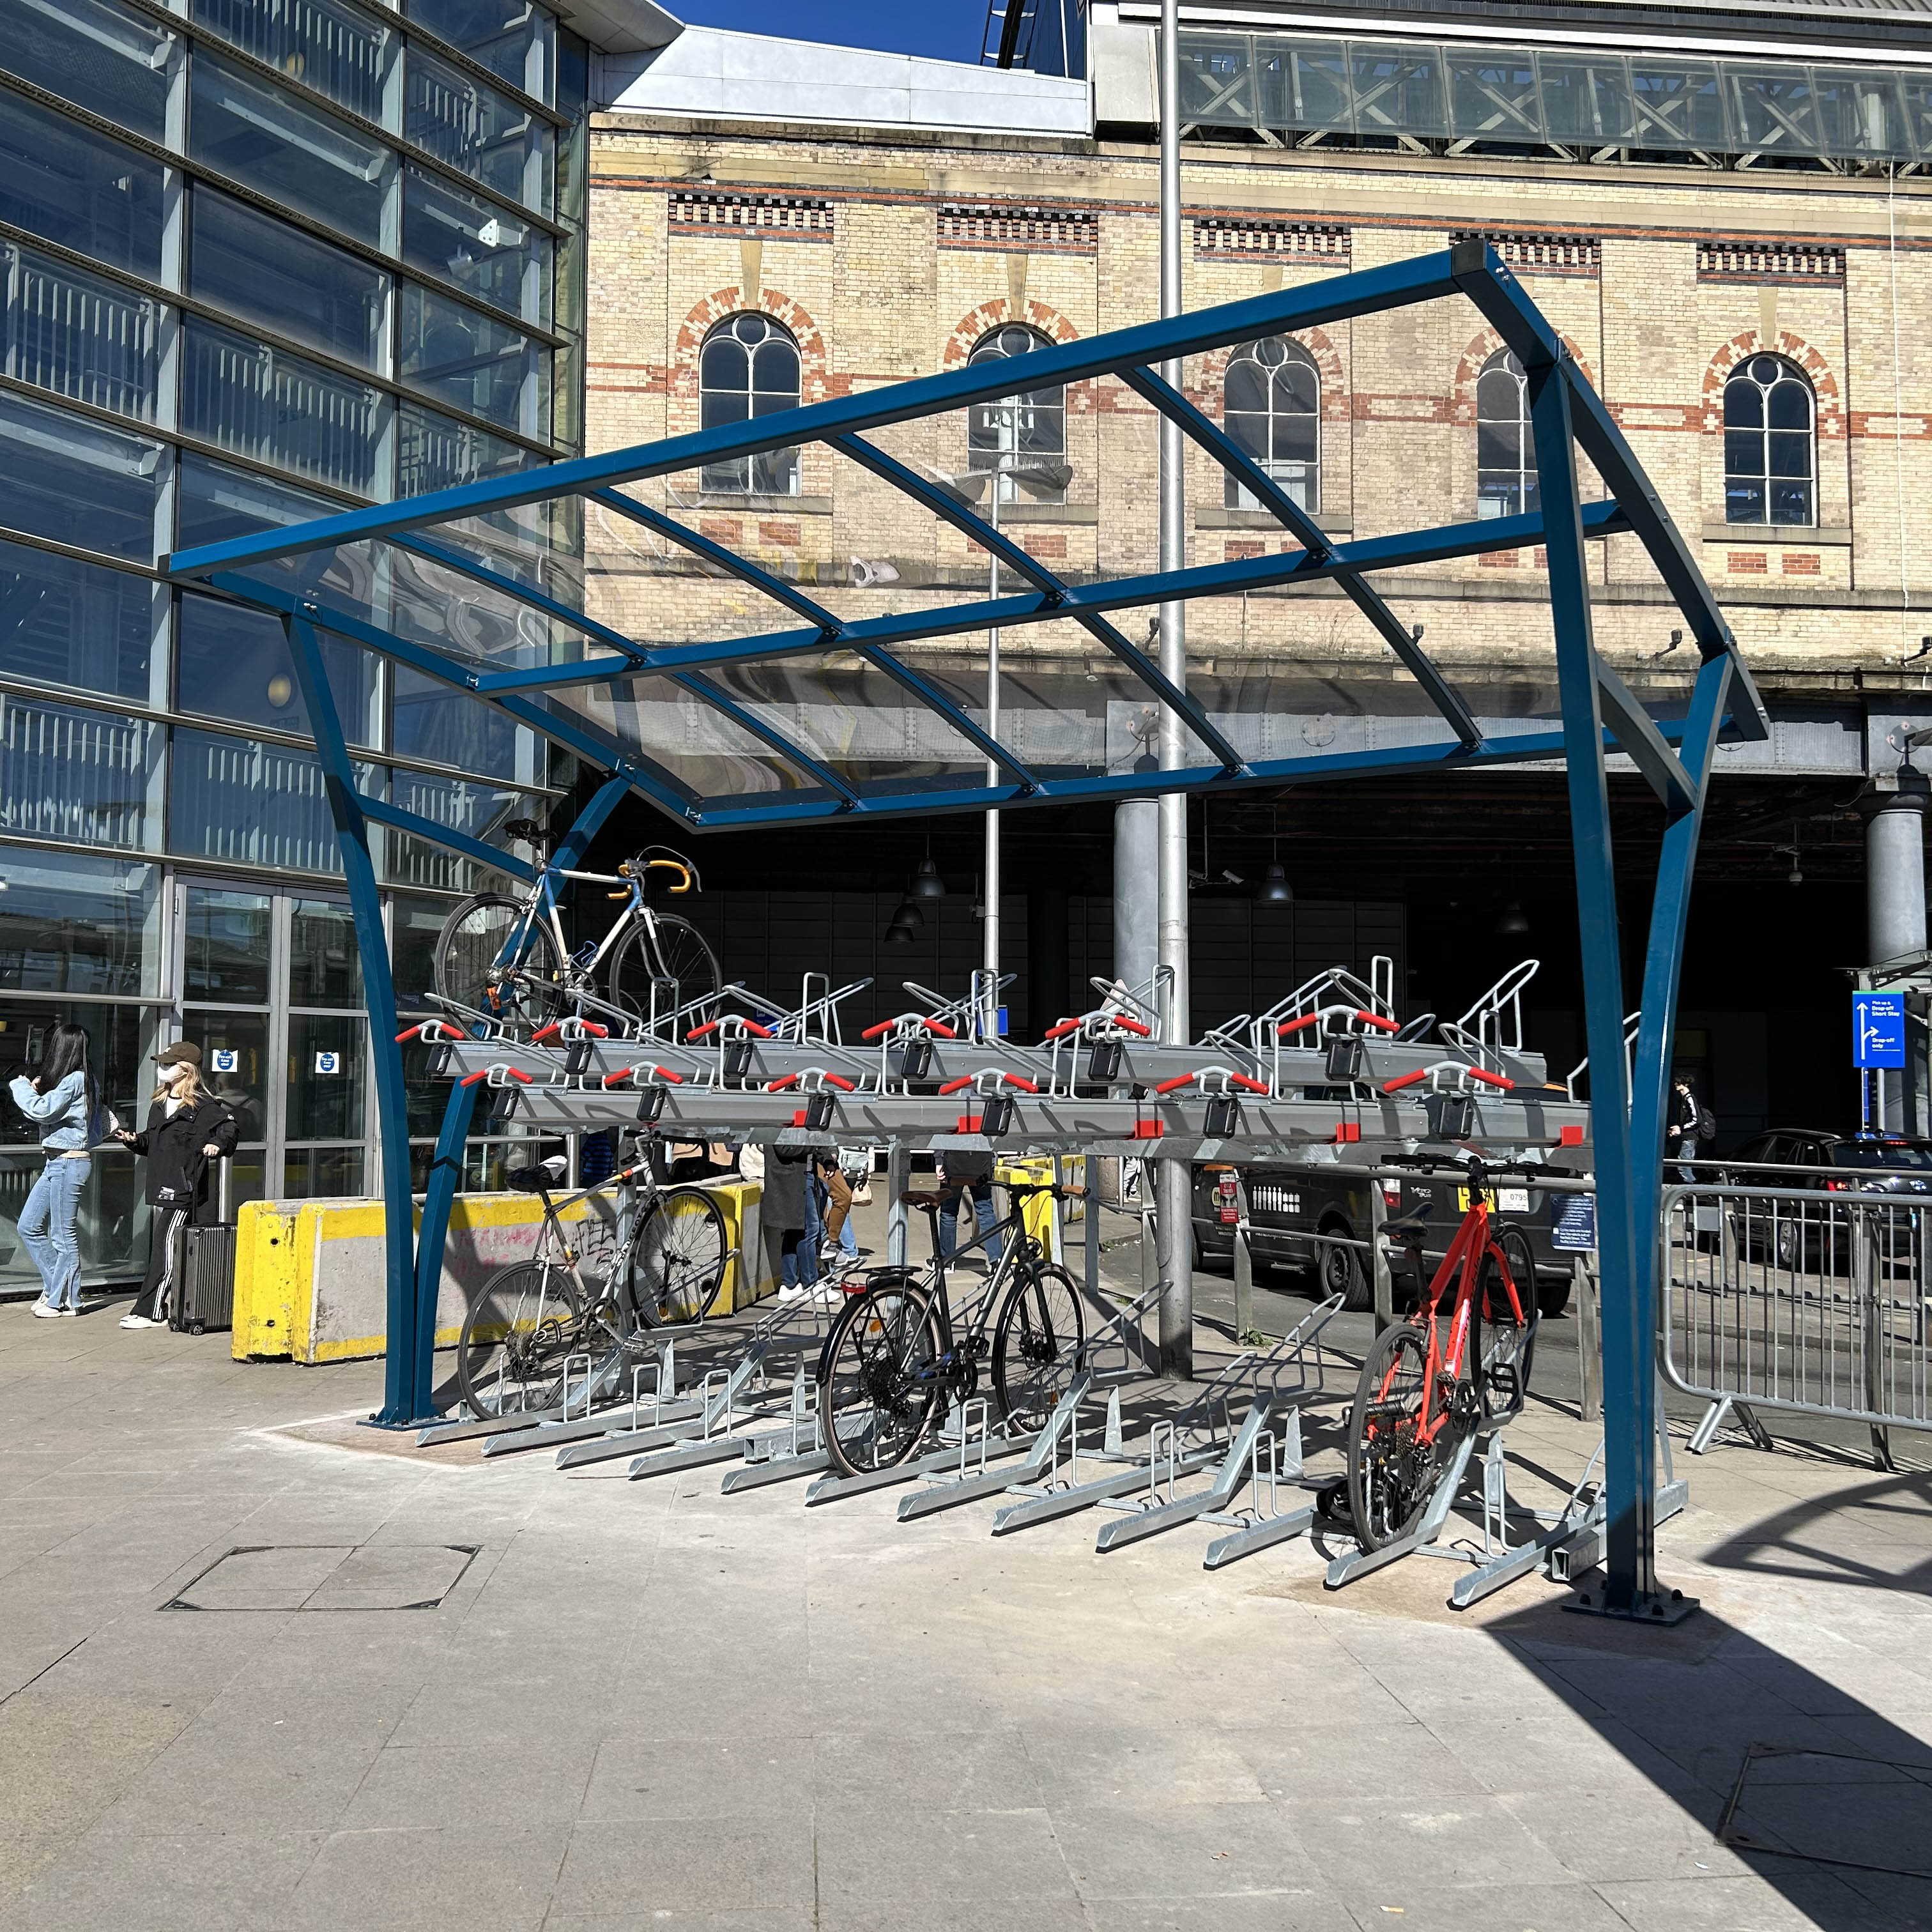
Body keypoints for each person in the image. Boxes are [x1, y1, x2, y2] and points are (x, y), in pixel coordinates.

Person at [111, 1043, 239, 1330]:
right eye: (162, 1063)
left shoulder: (203, 1106)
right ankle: (165, 1306)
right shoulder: (159, 1104)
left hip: (184, 1190)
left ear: (186, 1069)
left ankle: (150, 1311)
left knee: (164, 1249)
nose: (163, 1069)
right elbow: (152, 1144)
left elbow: (229, 1130)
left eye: (169, 1064)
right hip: (161, 1186)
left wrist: (216, 1145)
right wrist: (134, 1140)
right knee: (172, 1249)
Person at [8, 1022, 105, 1317]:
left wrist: (21, 1086)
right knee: (28, 1226)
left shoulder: (77, 1079)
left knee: (63, 1236)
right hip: (57, 1161)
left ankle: (64, 1300)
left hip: (69, 1162)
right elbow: (51, 1111)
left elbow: (42, 1110)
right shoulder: (80, 1080)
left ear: (61, 1049)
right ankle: (58, 1289)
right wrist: (39, 1090)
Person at [937, 1147, 1003, 1269]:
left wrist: (938, 1160)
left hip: (954, 1164)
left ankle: (947, 1260)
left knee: (948, 1212)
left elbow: (943, 1132)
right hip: (981, 1164)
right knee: (986, 1212)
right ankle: (997, 1261)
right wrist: (992, 1163)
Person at [1666, 1073, 1701, 1184]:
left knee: (1683, 1164)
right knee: (1686, 1163)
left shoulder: (1690, 1098)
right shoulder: (1684, 1099)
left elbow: (1697, 1120)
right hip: (1687, 1136)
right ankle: (1692, 1187)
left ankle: (1692, 1186)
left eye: (1679, 1082)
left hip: (1690, 1137)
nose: (1676, 1084)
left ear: (1686, 1084)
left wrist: (1681, 1128)